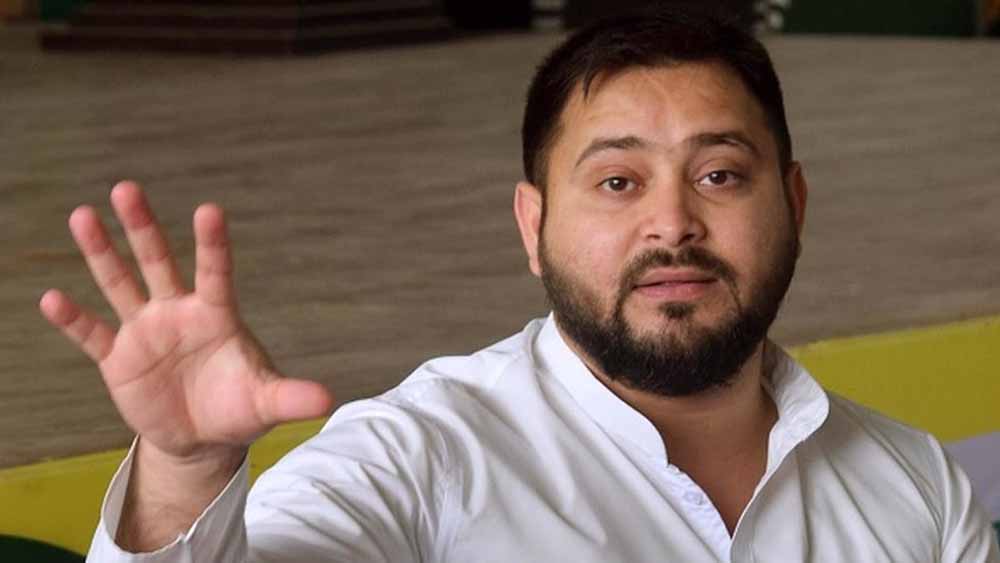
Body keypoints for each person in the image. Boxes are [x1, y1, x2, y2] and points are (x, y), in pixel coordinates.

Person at [39, 8, 1000, 563]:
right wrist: (184, 472)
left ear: (793, 202)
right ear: (532, 226)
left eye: (719, 174)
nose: (672, 223)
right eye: (618, 182)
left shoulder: (916, 488)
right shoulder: (419, 457)